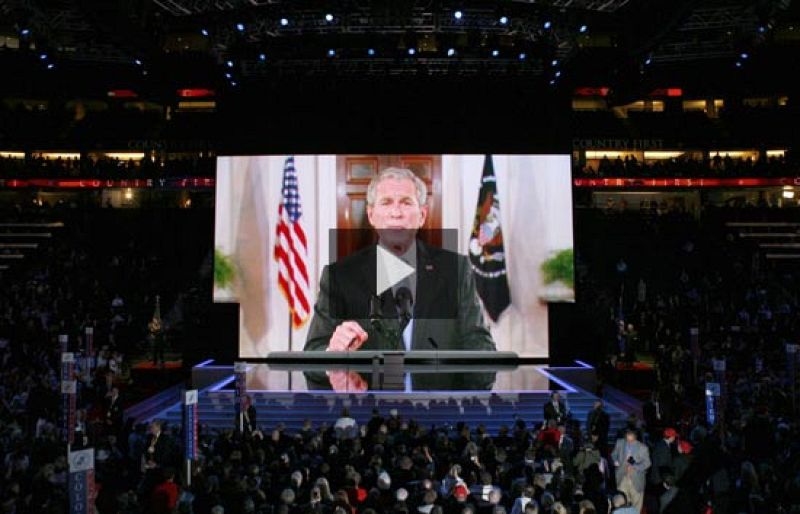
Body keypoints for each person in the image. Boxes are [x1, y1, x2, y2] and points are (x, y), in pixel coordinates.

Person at [305, 167, 495, 353]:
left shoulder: (456, 270)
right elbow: (313, 353)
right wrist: (333, 355)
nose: (396, 212)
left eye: (406, 202)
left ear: (422, 215)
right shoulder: (339, 277)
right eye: (386, 202)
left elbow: (481, 347)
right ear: (371, 215)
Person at [611, 428, 650, 513]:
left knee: (637, 505)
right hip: (622, 478)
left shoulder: (643, 448)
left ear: (635, 438)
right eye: (627, 439)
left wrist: (635, 466)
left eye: (631, 440)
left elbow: (647, 463)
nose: (629, 442)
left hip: (636, 480)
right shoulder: (620, 443)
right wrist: (615, 461)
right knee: (622, 503)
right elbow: (613, 454)